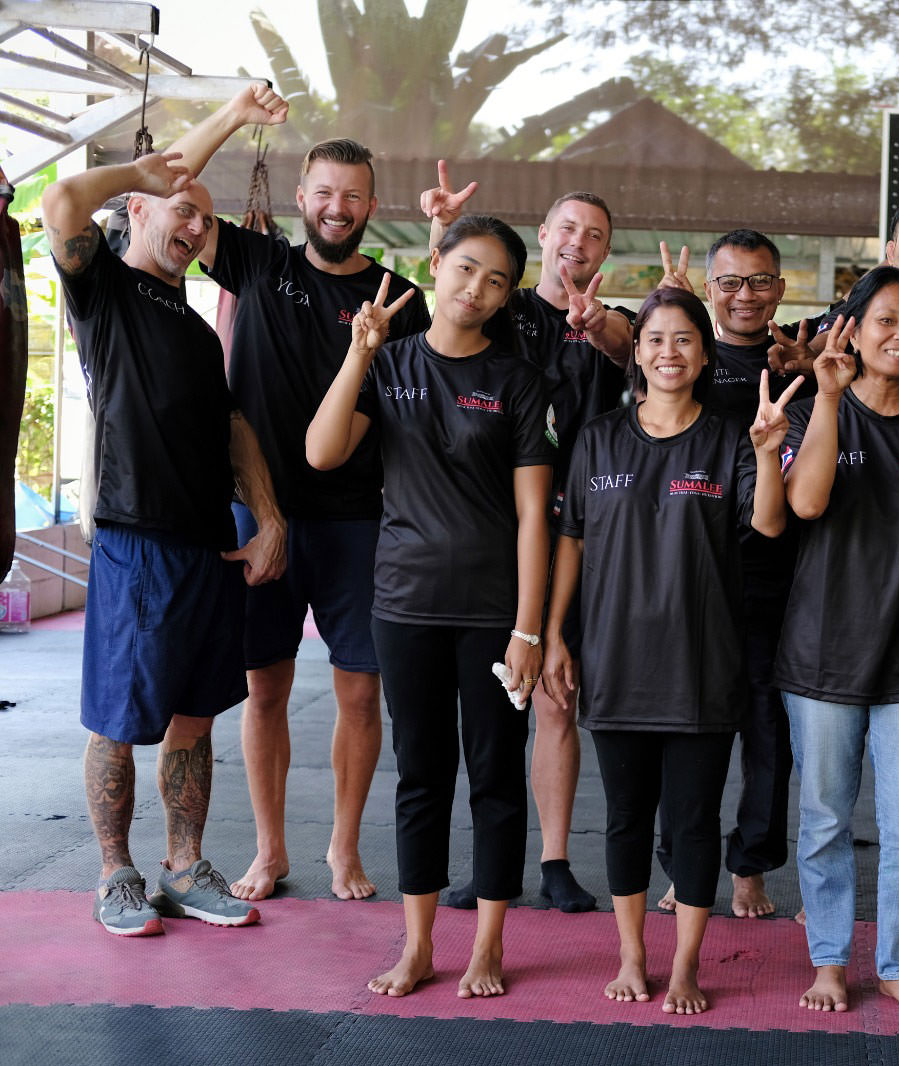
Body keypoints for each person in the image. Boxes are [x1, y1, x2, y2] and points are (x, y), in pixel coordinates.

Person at [166, 91, 430, 903]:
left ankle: (344, 850)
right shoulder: (260, 262)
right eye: (323, 192)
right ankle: (271, 849)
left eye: (352, 194)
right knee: (266, 688)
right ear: (300, 198)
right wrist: (234, 115)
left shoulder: (400, 299)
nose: (337, 207)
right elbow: (174, 187)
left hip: (357, 519)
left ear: (371, 206)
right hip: (258, 512)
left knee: (358, 691)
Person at [43, 113, 287, 935]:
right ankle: (116, 873)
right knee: (120, 716)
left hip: (209, 543)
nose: (193, 226)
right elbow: (61, 197)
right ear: (139, 211)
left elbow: (232, 430)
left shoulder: (190, 324)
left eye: (204, 218)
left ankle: (184, 867)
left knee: (195, 714)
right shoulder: (103, 292)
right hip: (135, 538)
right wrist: (158, 165)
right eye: (180, 209)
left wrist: (270, 518)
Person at [306, 215, 551, 998]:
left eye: (497, 280)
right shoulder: (392, 362)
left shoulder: (518, 382)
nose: (475, 289)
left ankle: (487, 944)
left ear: (507, 294)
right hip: (403, 603)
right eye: (466, 268)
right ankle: (416, 945)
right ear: (436, 264)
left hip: (490, 611)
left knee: (494, 775)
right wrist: (358, 353)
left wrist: (528, 629)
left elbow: (534, 517)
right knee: (421, 775)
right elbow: (322, 451)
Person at [543, 286, 796, 1013]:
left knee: (691, 822)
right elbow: (574, 540)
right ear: (637, 351)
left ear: (704, 354)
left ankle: (685, 964)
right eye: (655, 339)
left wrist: (770, 454)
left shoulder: (728, 438)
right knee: (625, 818)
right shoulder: (598, 438)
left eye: (684, 339)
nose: (668, 353)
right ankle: (631, 955)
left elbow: (771, 527)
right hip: (617, 660)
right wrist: (557, 633)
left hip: (700, 664)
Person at [422, 166, 635, 912]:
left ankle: (552, 860)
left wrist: (598, 322)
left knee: (556, 696)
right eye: (567, 227)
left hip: (584, 533)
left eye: (596, 234)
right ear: (544, 236)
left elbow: (628, 348)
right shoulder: (502, 308)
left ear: (607, 250)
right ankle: (490, 864)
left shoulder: (611, 323)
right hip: (498, 532)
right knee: (487, 710)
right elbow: (445, 305)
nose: (578, 241)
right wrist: (439, 231)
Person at [778, 265, 899, 1016]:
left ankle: (896, 960)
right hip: (821, 652)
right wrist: (828, 396)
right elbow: (808, 500)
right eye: (887, 321)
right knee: (825, 817)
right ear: (852, 328)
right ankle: (829, 960)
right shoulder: (814, 408)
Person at [652, 230, 815, 919]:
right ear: (709, 290)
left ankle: (750, 866)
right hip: (688, 572)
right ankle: (679, 863)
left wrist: (812, 373)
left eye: (758, 282)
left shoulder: (803, 366)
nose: (744, 295)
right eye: (729, 283)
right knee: (679, 724)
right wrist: (669, 308)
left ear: (779, 288)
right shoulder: (681, 355)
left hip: (775, 573)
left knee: (766, 731)